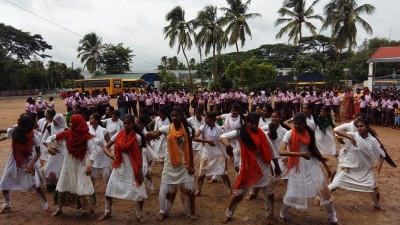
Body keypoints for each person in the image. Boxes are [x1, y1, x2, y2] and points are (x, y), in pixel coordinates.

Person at [279, 112, 340, 225]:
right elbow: (281, 151)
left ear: (305, 124)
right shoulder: (288, 134)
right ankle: (283, 214)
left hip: (312, 163)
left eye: (299, 124)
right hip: (297, 165)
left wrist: (326, 166)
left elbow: (314, 149)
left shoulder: (309, 133)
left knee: (324, 190)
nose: (296, 126)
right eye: (295, 123)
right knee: (293, 191)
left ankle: (333, 218)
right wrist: (299, 154)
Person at [219, 113, 281, 224]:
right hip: (247, 168)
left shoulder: (262, 134)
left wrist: (276, 166)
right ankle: (229, 213)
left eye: (256, 124)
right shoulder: (240, 133)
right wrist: (228, 146)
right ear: (246, 122)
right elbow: (222, 137)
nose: (253, 126)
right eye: (251, 123)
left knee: (269, 193)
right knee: (238, 194)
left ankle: (269, 215)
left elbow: (272, 151)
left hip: (263, 167)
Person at [146, 107, 197, 222]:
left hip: (185, 164)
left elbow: (190, 148)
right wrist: (148, 134)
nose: (174, 118)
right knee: (166, 189)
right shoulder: (166, 129)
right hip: (170, 164)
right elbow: (154, 134)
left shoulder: (187, 130)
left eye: (176, 115)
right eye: (172, 115)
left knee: (189, 189)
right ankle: (163, 211)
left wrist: (192, 165)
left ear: (181, 116)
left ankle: (191, 211)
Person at [331, 118, 389, 210]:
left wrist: (380, 165)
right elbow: (336, 131)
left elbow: (382, 153)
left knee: (373, 188)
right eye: (358, 126)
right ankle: (323, 197)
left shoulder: (373, 140)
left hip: (366, 169)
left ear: (367, 127)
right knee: (335, 183)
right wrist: (349, 137)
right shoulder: (354, 135)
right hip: (350, 166)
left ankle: (377, 204)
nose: (359, 128)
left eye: (361, 126)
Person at [99, 114, 147, 223]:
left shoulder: (137, 138)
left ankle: (139, 215)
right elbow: (105, 147)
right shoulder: (118, 135)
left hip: (132, 167)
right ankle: (107, 212)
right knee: (109, 190)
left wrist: (140, 171)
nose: (126, 125)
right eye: (124, 123)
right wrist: (110, 155)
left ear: (133, 124)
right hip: (119, 166)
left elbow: (139, 156)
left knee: (138, 192)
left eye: (128, 123)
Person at [46, 114, 97, 217]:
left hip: (82, 164)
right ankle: (59, 208)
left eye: (71, 122)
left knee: (83, 185)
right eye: (69, 122)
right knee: (63, 183)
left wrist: (89, 165)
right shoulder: (67, 133)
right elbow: (50, 138)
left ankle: (90, 209)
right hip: (68, 164)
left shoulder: (86, 136)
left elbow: (93, 151)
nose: (69, 124)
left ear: (78, 124)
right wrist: (49, 147)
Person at [0, 115, 50, 216]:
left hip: (28, 161)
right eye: (18, 124)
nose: (19, 127)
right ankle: (7, 204)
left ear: (27, 127)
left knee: (35, 185)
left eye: (21, 126)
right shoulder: (13, 131)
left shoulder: (33, 136)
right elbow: (2, 130)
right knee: (4, 182)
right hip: (13, 160)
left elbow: (38, 153)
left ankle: (45, 205)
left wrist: (32, 164)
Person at [193, 111, 232, 197]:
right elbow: (194, 137)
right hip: (207, 152)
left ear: (211, 120)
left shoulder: (218, 129)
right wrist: (206, 141)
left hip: (218, 152)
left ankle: (230, 190)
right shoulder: (203, 127)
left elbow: (222, 139)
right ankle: (198, 190)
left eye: (206, 118)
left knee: (224, 173)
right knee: (201, 173)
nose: (205, 119)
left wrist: (227, 146)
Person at [41, 114, 66, 192]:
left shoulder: (65, 130)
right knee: (48, 169)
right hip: (52, 152)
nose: (54, 122)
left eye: (56, 121)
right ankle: (50, 185)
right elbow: (43, 139)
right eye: (54, 120)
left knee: (61, 169)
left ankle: (60, 186)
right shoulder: (49, 127)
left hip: (62, 152)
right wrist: (50, 148)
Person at [88, 113, 111, 185]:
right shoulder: (88, 130)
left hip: (103, 154)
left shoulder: (103, 130)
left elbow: (109, 142)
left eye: (91, 118)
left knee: (106, 175)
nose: (90, 120)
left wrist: (109, 152)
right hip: (92, 154)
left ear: (96, 120)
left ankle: (109, 191)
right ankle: (92, 192)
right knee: (92, 175)